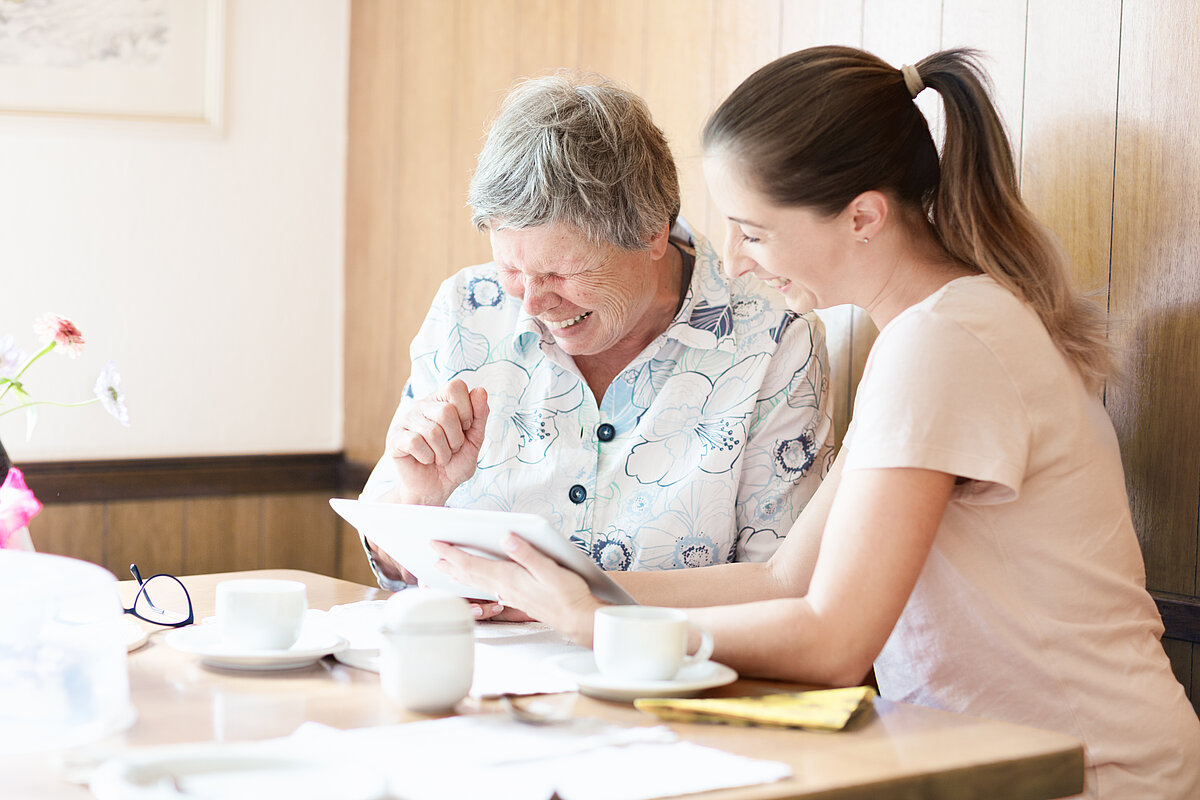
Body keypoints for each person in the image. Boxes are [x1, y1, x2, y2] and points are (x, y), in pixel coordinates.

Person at [431, 48, 1200, 797]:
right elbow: (783, 580)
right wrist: (569, 587)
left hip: (1090, 769)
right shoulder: (934, 329)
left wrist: (593, 622)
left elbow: (833, 643)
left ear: (863, 216)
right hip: (1007, 758)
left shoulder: (944, 342)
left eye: (755, 231)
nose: (731, 258)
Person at [360, 73, 834, 599]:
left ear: (652, 231)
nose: (534, 305)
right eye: (512, 270)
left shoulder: (772, 342)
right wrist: (417, 503)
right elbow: (389, 558)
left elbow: (783, 585)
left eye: (561, 273)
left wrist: (576, 600)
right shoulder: (467, 310)